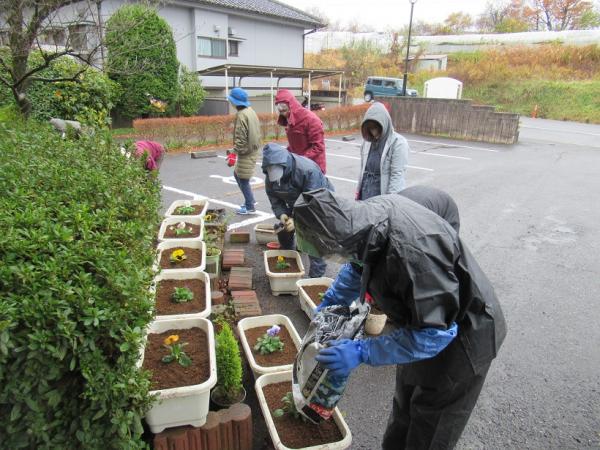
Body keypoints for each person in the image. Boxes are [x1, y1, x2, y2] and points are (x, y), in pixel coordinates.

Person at [293, 188, 506, 450]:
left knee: (430, 425)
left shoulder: (415, 257)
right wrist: (331, 301)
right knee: (404, 404)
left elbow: (434, 334)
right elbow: (357, 265)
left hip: (466, 335)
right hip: (421, 322)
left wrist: (361, 351)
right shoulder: (362, 222)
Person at [262, 143, 333, 278]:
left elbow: (312, 200)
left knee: (311, 234)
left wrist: (297, 220)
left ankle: (315, 276)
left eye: (279, 173)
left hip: (320, 202)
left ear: (285, 165)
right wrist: (282, 213)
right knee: (282, 228)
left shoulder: (307, 170)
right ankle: (290, 255)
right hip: (296, 203)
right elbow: (274, 198)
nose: (276, 178)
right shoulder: (270, 176)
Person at [357, 102, 409, 200]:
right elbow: (363, 171)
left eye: (377, 128)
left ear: (385, 123)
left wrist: (390, 203)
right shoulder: (367, 142)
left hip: (383, 197)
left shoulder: (398, 143)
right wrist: (358, 193)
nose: (374, 132)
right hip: (365, 192)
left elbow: (397, 176)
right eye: (371, 128)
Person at [227, 87, 262, 215]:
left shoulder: (241, 115)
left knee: (243, 179)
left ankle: (250, 206)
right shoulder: (250, 111)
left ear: (235, 102)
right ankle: (250, 200)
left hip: (246, 152)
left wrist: (233, 152)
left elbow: (241, 139)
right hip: (252, 149)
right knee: (239, 176)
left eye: (231, 100)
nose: (231, 102)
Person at [274, 89, 326, 173]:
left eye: (284, 111)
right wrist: (285, 154)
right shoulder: (290, 120)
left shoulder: (311, 120)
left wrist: (299, 159)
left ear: (291, 106)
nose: (283, 114)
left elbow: (318, 147)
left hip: (314, 168)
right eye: (281, 112)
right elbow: (294, 145)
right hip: (299, 167)